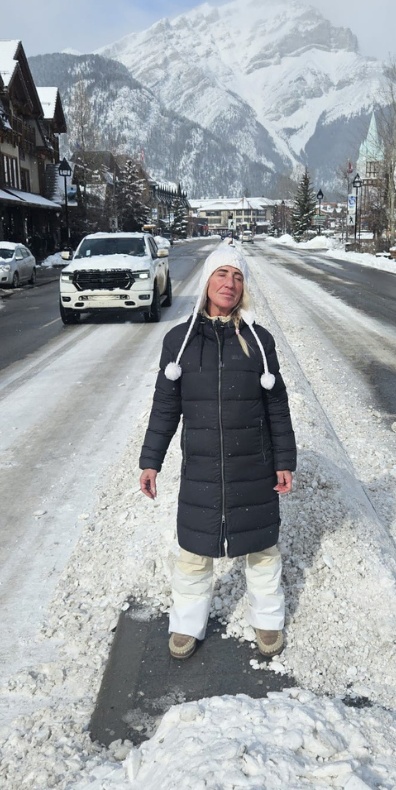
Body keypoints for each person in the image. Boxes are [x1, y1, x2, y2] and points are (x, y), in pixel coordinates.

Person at [139, 243, 296, 660]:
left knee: (262, 548)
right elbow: (165, 406)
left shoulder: (260, 341)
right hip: (202, 470)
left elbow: (276, 406)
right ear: (208, 281)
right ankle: (186, 623)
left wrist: (284, 460)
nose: (230, 283)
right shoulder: (180, 341)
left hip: (254, 466)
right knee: (194, 550)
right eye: (222, 274)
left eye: (237, 276)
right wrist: (151, 461)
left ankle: (268, 617)